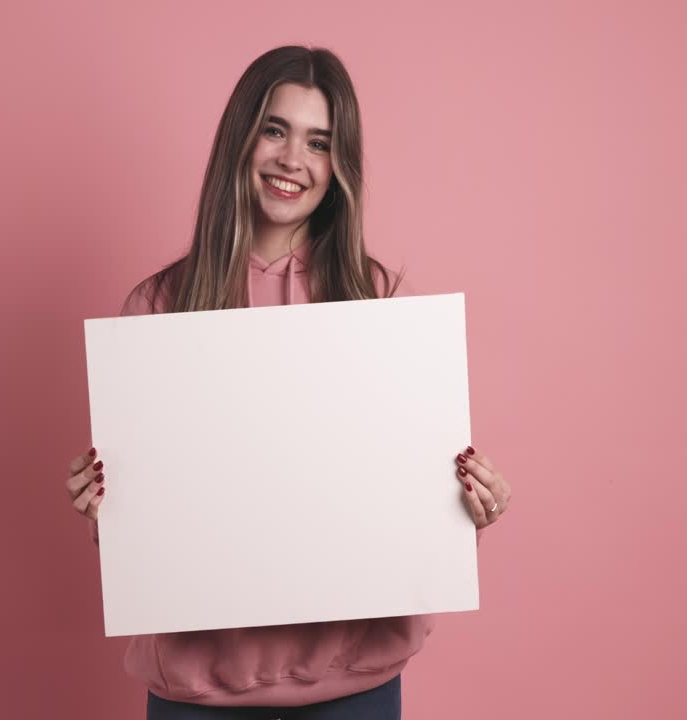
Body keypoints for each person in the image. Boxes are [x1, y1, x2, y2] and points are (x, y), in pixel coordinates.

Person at [65, 45, 512, 720]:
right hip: (195, 692)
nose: (291, 160)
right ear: (241, 139)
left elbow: (410, 516)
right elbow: (151, 535)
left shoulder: (383, 306)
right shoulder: (159, 308)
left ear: (340, 167)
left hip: (353, 688)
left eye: (319, 142)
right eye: (275, 130)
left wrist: (469, 506)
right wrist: (107, 508)